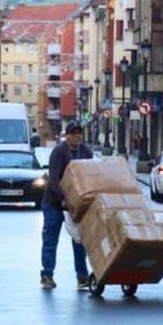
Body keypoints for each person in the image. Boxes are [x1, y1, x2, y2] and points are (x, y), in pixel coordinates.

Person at [41, 122, 94, 290]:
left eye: (80, 133)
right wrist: (63, 199)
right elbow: (54, 179)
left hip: (76, 204)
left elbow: (89, 175)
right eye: (74, 133)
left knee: (79, 239)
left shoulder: (86, 152)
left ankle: (82, 276)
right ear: (67, 135)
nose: (78, 136)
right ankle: (47, 275)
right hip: (55, 203)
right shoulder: (58, 152)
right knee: (51, 238)